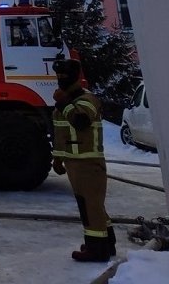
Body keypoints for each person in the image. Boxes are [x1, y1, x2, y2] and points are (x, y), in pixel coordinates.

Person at [51, 58, 114, 262]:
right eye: (58, 76)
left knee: (90, 207)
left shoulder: (87, 100)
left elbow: (81, 122)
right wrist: (58, 158)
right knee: (93, 205)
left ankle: (97, 250)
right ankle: (106, 243)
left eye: (64, 76)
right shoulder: (67, 101)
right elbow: (61, 133)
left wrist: (64, 104)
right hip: (75, 163)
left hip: (88, 162)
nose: (60, 80)